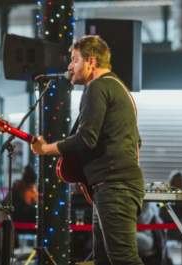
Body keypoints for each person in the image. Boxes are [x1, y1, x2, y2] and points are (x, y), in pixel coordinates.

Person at [30, 35, 144, 265]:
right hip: (114, 186)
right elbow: (135, 143)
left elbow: (85, 139)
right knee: (104, 259)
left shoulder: (97, 87)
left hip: (114, 188)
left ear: (91, 61)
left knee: (124, 259)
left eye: (74, 60)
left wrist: (45, 149)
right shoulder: (119, 88)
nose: (69, 66)